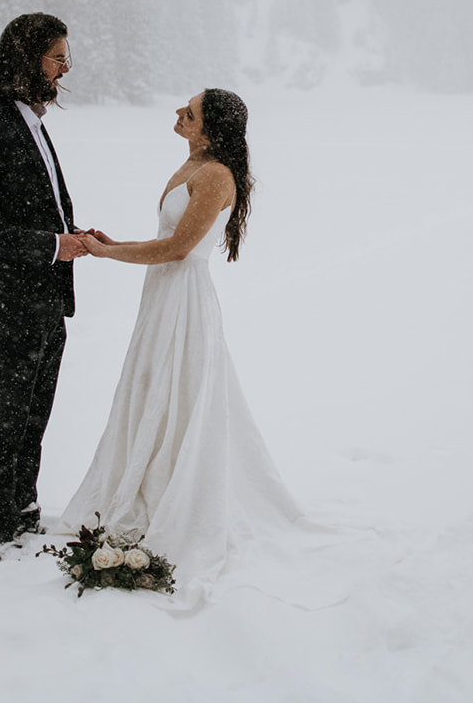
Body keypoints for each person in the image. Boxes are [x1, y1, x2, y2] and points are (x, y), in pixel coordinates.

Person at [65, 88, 303, 607]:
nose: (177, 113)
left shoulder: (215, 175)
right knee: (152, 384)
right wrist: (114, 245)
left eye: (188, 112)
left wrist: (106, 253)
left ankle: (177, 494)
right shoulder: (194, 163)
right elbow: (166, 239)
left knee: (178, 390)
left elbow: (177, 249)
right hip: (162, 294)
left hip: (184, 298)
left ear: (209, 128)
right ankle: (145, 474)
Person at [0, 13, 90, 579]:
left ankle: (23, 513)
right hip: (7, 301)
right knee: (6, 415)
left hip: (45, 298)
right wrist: (54, 246)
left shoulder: (29, 121)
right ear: (29, 59)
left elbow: (39, 202)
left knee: (36, 412)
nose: (65, 68)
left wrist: (71, 239)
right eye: (57, 57)